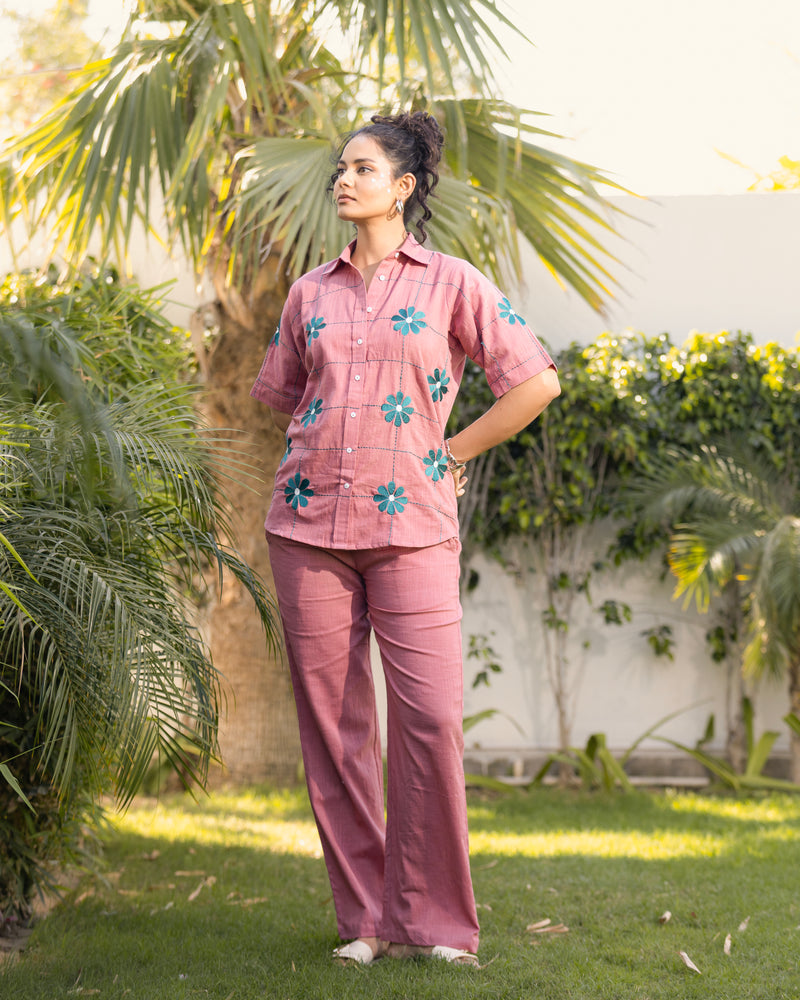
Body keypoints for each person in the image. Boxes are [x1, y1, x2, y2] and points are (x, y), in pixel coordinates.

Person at [250, 110, 560, 968]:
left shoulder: (454, 283)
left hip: (413, 525)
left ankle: (435, 923)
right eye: (340, 168)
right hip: (306, 523)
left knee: (429, 719)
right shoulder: (309, 290)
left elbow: (535, 382)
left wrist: (450, 449)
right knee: (335, 727)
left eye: (361, 167)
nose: (343, 180)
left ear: (404, 185)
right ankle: (363, 919)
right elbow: (280, 393)